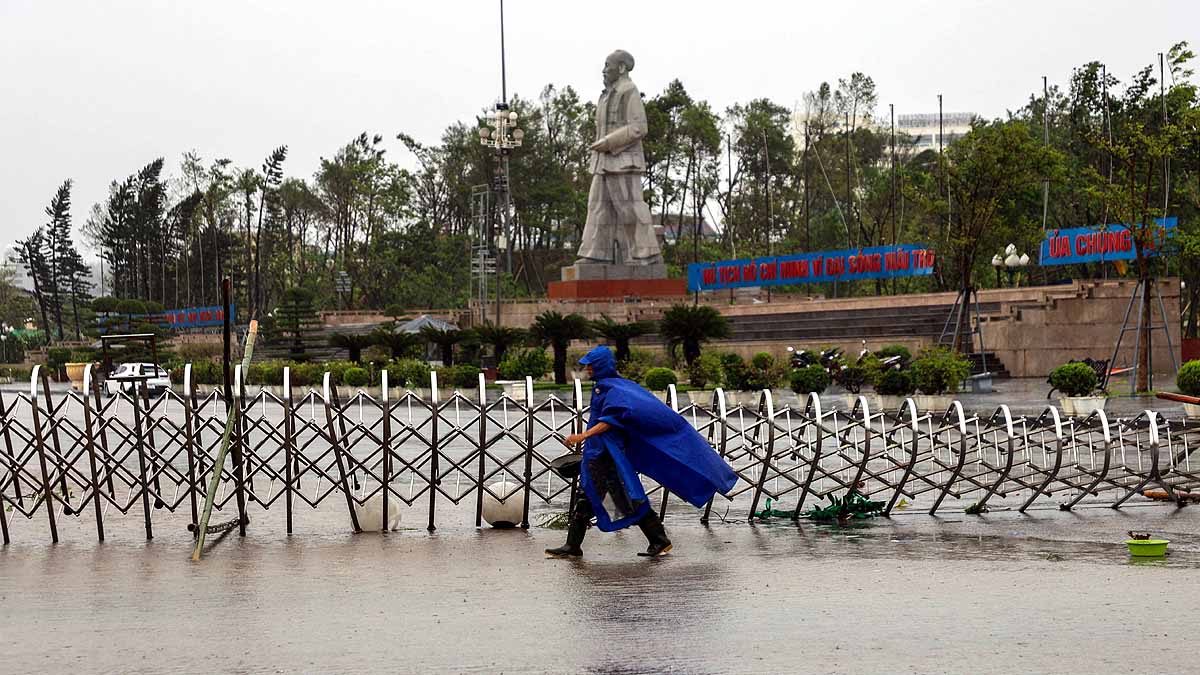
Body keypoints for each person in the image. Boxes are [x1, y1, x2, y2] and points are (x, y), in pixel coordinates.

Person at [545, 345, 738, 559]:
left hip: (606, 455)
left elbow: (610, 421)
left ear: (600, 365)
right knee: (595, 496)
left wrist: (581, 436)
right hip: (598, 452)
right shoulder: (608, 387)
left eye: (590, 365)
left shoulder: (613, 389)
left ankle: (656, 539)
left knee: (621, 497)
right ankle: (576, 545)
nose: (587, 369)